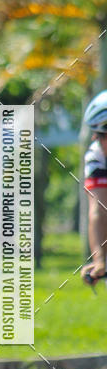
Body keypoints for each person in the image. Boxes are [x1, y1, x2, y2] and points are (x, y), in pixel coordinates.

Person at [82, 90, 107, 284]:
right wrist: (99, 260)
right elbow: (98, 210)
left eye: (101, 134)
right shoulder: (96, 155)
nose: (95, 139)